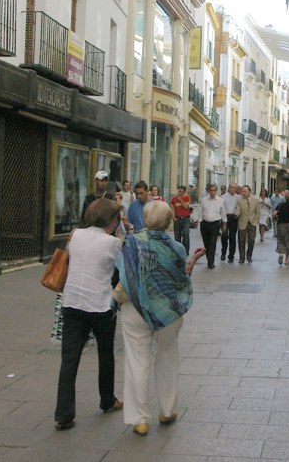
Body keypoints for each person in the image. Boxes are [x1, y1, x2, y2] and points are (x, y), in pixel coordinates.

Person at [115, 201, 207, 436]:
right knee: (167, 354)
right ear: (169, 223)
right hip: (167, 310)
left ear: (145, 221)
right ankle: (167, 410)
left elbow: (126, 276)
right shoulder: (177, 247)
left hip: (135, 308)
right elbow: (178, 278)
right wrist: (192, 263)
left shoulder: (132, 244)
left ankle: (140, 419)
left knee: (137, 360)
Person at [53, 198, 125, 431]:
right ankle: (107, 399)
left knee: (69, 359)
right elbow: (121, 271)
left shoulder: (75, 234)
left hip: (72, 302)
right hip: (100, 305)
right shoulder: (112, 243)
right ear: (111, 220)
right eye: (117, 219)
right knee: (105, 354)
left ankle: (64, 413)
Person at [198, 183, 227, 269]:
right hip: (205, 224)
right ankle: (209, 259)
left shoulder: (220, 200)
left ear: (216, 191)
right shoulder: (204, 200)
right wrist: (200, 222)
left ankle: (211, 262)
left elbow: (223, 213)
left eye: (214, 190)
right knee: (206, 244)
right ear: (208, 191)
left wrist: (224, 223)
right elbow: (200, 211)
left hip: (215, 224)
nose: (213, 192)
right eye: (211, 190)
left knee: (213, 243)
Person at [235, 185, 259, 263]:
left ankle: (249, 256)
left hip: (252, 223)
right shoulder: (239, 200)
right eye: (242, 191)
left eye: (245, 191)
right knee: (241, 240)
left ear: (249, 192)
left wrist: (255, 221)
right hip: (242, 223)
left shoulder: (255, 200)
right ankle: (241, 257)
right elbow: (238, 209)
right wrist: (236, 214)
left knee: (251, 240)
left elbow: (257, 212)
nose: (243, 193)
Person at [220, 183, 240, 262]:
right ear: (229, 188)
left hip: (234, 218)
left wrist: (237, 212)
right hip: (225, 218)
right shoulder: (223, 197)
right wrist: (223, 220)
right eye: (232, 187)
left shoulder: (238, 198)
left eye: (235, 188)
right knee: (224, 236)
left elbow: (239, 208)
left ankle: (231, 255)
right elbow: (221, 209)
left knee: (232, 237)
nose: (234, 189)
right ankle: (223, 254)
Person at [170, 185, 192, 252]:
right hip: (177, 219)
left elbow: (185, 206)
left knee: (186, 234)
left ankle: (186, 250)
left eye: (181, 192)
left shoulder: (187, 198)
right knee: (177, 237)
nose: (179, 193)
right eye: (179, 191)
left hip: (186, 219)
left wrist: (180, 200)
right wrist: (173, 218)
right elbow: (172, 209)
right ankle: (178, 251)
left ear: (184, 192)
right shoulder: (174, 199)